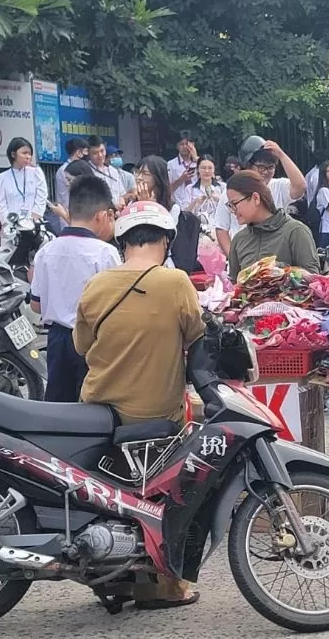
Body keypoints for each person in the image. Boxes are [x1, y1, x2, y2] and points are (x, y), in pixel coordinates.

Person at [73, 201, 204, 607]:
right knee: (162, 498)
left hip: (97, 410)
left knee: (106, 494)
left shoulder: (96, 285)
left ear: (124, 240)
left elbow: (82, 346)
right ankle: (159, 587)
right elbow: (196, 336)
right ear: (165, 240)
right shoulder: (176, 282)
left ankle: (112, 579)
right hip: (155, 414)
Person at [30, 176, 119, 402]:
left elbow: (36, 304)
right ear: (100, 215)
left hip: (57, 339)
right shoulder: (105, 253)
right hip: (93, 338)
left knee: (59, 401)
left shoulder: (46, 251)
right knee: (92, 401)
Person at [225, 171, 319, 280]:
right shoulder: (239, 239)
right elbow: (235, 284)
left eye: (234, 203)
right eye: (230, 205)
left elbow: (314, 280)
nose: (233, 211)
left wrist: (279, 269)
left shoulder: (295, 231)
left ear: (256, 198)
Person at [0, 138, 49, 239]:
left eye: (30, 154)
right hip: (11, 229)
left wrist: (35, 217)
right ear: (13, 154)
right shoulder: (1, 177)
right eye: (24, 153)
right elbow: (0, 204)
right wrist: (9, 224)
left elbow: (42, 196)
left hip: (34, 225)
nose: (28, 157)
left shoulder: (36, 173)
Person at [237, 135, 306, 209]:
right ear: (248, 166)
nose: (266, 172)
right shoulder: (233, 192)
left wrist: (281, 155)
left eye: (271, 167)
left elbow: (300, 187)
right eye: (261, 167)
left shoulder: (278, 187)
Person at [174, 154, 225, 225]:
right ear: (198, 169)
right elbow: (184, 213)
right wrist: (195, 202)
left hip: (218, 226)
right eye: (203, 168)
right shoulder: (190, 189)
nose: (207, 171)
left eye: (210, 168)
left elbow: (230, 208)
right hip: (196, 227)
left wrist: (218, 199)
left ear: (214, 169)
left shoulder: (222, 187)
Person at [88, 135, 127, 209]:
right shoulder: (88, 171)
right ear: (89, 154)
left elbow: (122, 193)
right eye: (95, 153)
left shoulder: (113, 171)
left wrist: (121, 202)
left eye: (102, 151)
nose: (100, 155)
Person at [54, 138, 89, 209]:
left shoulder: (81, 166)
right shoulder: (65, 170)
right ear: (78, 152)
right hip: (70, 211)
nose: (87, 154)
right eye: (86, 151)